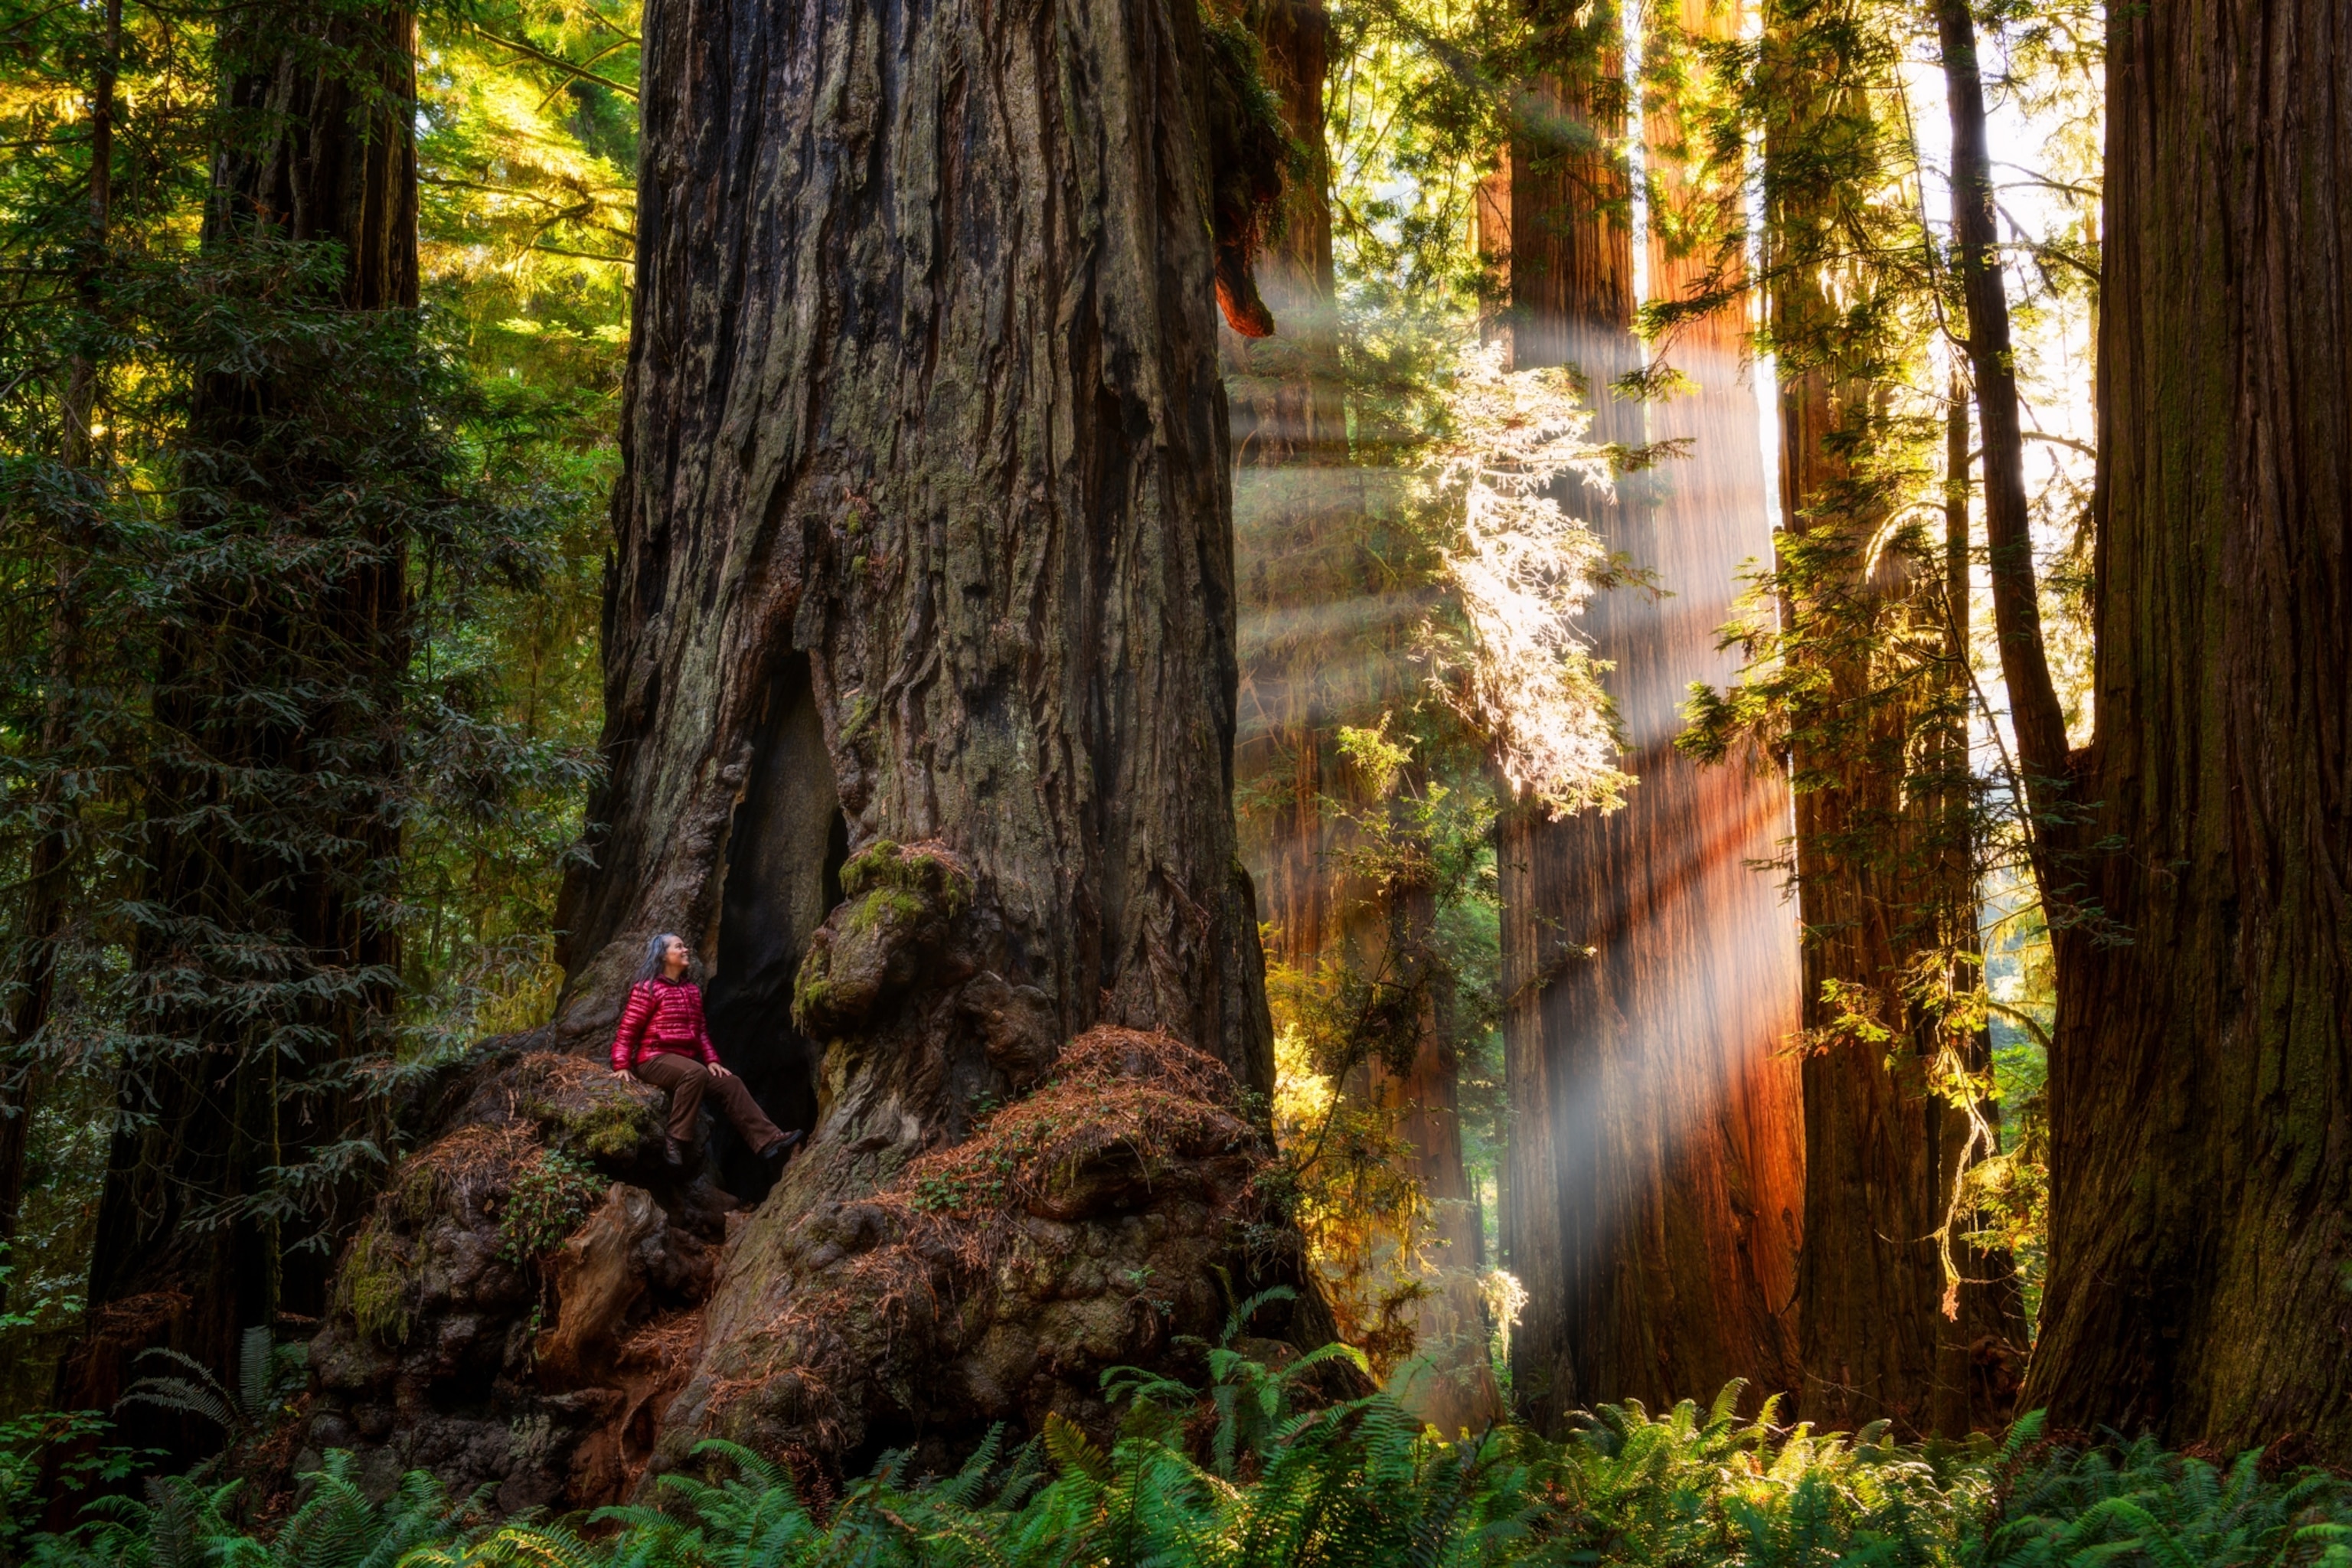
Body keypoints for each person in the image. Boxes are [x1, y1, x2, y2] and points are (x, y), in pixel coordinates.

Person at [611, 933, 804, 1169]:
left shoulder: (691, 990)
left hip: (685, 1064)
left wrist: (712, 1060)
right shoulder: (648, 989)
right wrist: (621, 1064)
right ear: (663, 955)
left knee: (729, 1083)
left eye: (684, 946)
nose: (685, 950)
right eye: (678, 947)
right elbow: (628, 1029)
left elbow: (701, 1031)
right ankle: (676, 1138)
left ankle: (768, 1140)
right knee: (695, 1073)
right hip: (653, 1059)